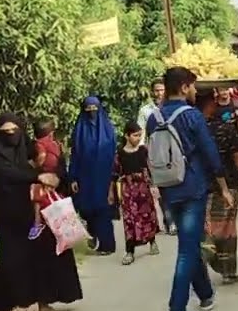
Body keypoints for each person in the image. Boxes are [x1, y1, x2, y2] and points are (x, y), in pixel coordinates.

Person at [0, 113, 82, 311]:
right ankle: (14, 303)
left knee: (42, 253)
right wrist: (36, 176)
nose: (11, 135)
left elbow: (50, 166)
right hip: (6, 212)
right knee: (11, 257)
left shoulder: (29, 148)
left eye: (14, 131)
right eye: (5, 132)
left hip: (34, 209)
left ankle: (43, 302)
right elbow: (7, 173)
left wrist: (54, 176)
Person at [147, 67, 223, 311]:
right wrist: (222, 183)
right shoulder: (192, 116)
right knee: (187, 249)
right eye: (192, 86)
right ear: (183, 87)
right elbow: (210, 152)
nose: (194, 91)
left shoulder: (153, 118)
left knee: (189, 240)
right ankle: (177, 309)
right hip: (192, 187)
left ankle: (206, 294)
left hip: (168, 188)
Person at [197, 89, 238, 283]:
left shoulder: (190, 130)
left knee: (209, 223)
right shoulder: (223, 128)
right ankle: (226, 269)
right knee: (227, 228)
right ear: (210, 104)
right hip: (227, 183)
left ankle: (212, 257)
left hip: (199, 185)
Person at [69, 96, 118, 255]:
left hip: (104, 177)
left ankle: (107, 244)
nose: (91, 112)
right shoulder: (79, 130)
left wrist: (113, 179)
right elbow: (75, 154)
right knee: (86, 209)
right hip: (84, 176)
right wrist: (73, 177)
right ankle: (93, 235)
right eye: (88, 109)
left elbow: (114, 157)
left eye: (95, 109)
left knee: (103, 210)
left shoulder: (108, 130)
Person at [111, 122, 160, 265]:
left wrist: (154, 185)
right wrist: (111, 193)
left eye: (139, 135)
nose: (138, 138)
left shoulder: (143, 151)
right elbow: (114, 174)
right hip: (128, 191)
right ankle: (129, 251)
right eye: (135, 135)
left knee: (148, 216)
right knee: (129, 220)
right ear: (127, 136)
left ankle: (152, 241)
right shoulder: (120, 154)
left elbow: (150, 169)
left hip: (143, 189)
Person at [27, 119, 62, 241]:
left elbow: (41, 156)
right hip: (55, 174)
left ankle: (37, 223)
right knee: (52, 198)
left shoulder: (40, 144)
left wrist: (33, 165)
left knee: (37, 199)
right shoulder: (55, 143)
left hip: (44, 174)